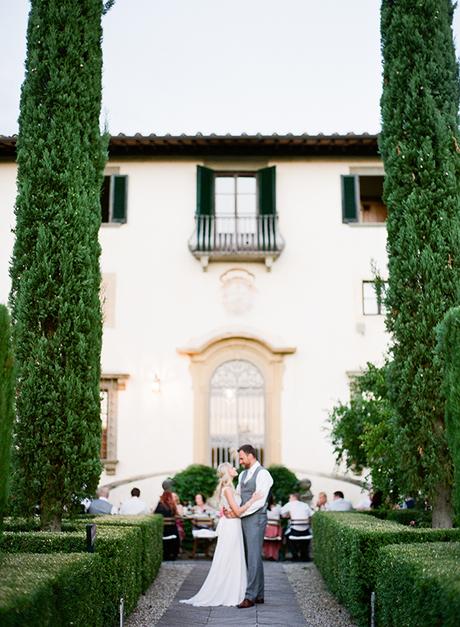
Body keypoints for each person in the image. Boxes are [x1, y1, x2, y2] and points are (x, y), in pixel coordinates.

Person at [180, 462, 262, 607]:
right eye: (232, 467)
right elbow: (237, 511)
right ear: (227, 472)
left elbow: (231, 510)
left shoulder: (231, 488)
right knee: (230, 557)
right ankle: (229, 592)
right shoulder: (228, 490)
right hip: (231, 526)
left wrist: (230, 511)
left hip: (233, 524)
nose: (235, 468)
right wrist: (252, 501)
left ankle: (237, 591)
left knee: (234, 557)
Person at [232, 444, 274, 608]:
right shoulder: (242, 474)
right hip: (242, 517)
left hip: (256, 518)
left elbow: (260, 502)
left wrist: (239, 512)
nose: (240, 461)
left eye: (242, 458)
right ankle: (259, 594)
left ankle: (250, 596)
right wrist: (232, 509)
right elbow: (237, 495)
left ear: (251, 456)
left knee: (253, 556)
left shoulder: (264, 474)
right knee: (252, 555)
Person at [280, 493, 314, 561]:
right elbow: (312, 514)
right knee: (305, 538)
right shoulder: (305, 505)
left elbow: (282, 514)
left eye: (289, 498)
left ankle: (295, 555)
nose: (289, 499)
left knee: (286, 535)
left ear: (293, 497)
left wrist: (288, 515)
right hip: (305, 531)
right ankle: (304, 556)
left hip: (294, 531)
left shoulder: (289, 504)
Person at [154, 490, 180, 560]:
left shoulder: (159, 505)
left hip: (162, 531)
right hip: (172, 532)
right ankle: (174, 554)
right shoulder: (172, 506)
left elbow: (155, 516)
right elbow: (177, 516)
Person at [262, 493, 282, 561]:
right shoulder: (278, 507)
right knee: (275, 541)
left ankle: (267, 554)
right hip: (275, 530)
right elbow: (282, 515)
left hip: (266, 530)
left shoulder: (264, 507)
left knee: (267, 542)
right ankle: (274, 555)